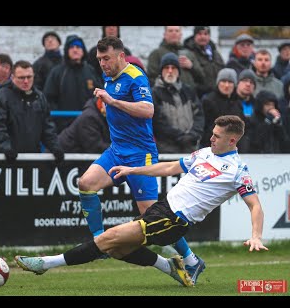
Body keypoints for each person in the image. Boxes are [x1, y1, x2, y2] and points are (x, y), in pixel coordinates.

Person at [15, 115, 268, 287]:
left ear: (232, 140)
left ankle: (46, 263)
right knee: (117, 249)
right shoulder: (203, 153)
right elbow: (169, 167)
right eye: (212, 134)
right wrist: (131, 170)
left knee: (107, 238)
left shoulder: (237, 170)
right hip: (162, 208)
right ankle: (170, 267)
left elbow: (254, 205)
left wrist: (256, 235)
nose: (211, 138)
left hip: (174, 221)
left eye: (216, 136)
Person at [73, 36, 205, 285]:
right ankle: (100, 242)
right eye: (100, 59)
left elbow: (148, 110)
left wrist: (112, 101)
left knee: (152, 215)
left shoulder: (136, 76)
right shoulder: (109, 77)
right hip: (116, 150)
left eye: (107, 58)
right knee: (85, 183)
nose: (103, 63)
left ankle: (190, 259)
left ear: (120, 56)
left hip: (140, 155)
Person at [0, 60, 64, 164]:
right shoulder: (0, 98)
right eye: (21, 78)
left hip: (31, 158)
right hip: (3, 159)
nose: (26, 81)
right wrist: (6, 148)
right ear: (12, 77)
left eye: (29, 77)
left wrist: (55, 147)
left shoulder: (39, 97)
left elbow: (47, 127)